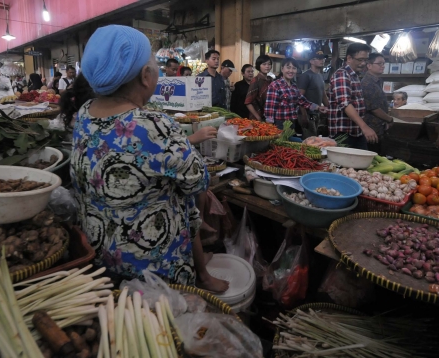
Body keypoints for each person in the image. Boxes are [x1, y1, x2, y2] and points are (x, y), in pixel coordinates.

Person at [73, 24, 228, 291]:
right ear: (146, 76)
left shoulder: (85, 113)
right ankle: (200, 273)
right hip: (152, 271)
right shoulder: (153, 125)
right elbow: (197, 181)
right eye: (154, 64)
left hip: (99, 255)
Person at [328, 43, 377, 149]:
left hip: (356, 132)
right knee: (343, 165)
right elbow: (345, 103)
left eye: (366, 60)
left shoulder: (354, 76)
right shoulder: (341, 75)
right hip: (344, 134)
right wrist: (364, 127)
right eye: (360, 60)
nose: (363, 63)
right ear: (349, 58)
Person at [264, 57, 327, 130]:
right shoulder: (275, 85)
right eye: (288, 67)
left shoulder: (294, 87)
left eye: (294, 68)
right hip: (279, 124)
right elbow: (269, 109)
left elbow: (303, 101)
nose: (291, 71)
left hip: (292, 123)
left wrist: (318, 107)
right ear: (282, 69)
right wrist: (269, 127)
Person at [361, 53, 395, 153]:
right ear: (369, 66)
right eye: (379, 63)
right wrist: (389, 119)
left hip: (378, 129)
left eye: (384, 63)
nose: (383, 66)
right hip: (371, 130)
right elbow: (374, 109)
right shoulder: (367, 83)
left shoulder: (376, 81)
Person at [298, 51, 330, 138]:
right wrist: (304, 115)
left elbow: (323, 95)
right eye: (319, 58)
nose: (322, 60)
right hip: (307, 114)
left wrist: (330, 109)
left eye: (323, 58)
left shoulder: (320, 76)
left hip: (317, 113)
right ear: (311, 61)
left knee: (315, 138)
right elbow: (300, 97)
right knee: (310, 141)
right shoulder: (306, 76)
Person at [245, 55, 273, 120]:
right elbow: (248, 102)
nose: (267, 66)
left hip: (269, 116)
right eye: (264, 64)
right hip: (258, 117)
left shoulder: (270, 80)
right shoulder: (255, 80)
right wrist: (258, 117)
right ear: (259, 66)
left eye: (269, 64)